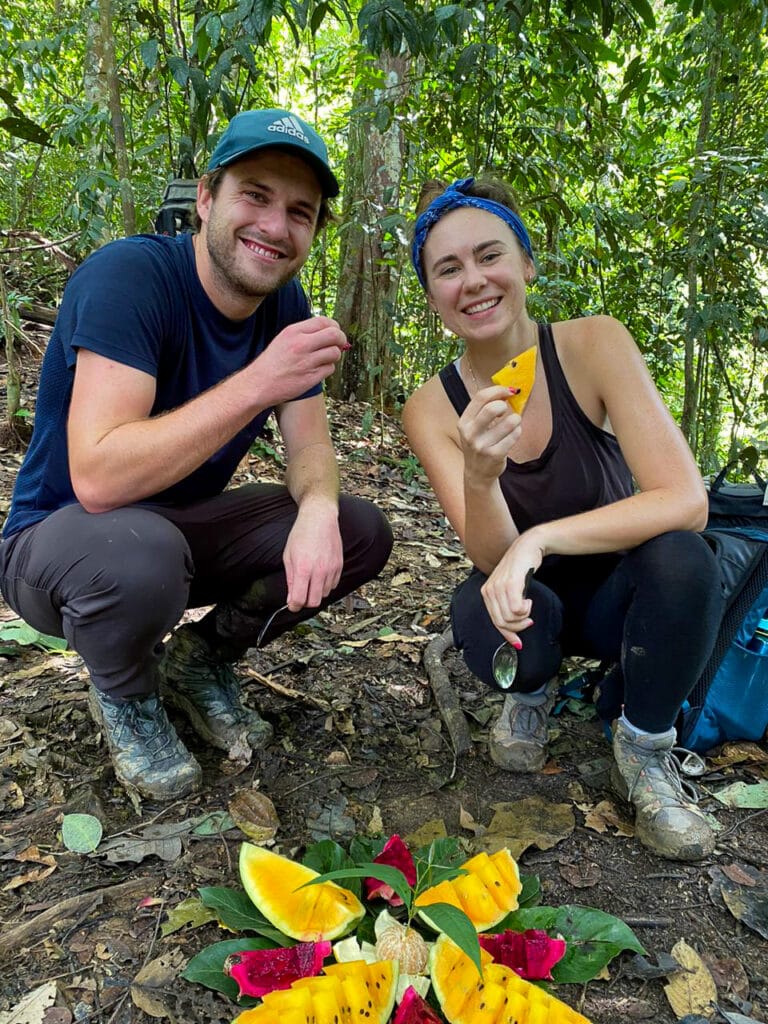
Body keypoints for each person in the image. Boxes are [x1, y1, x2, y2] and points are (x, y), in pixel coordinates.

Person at [0, 108, 393, 803]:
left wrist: (320, 507)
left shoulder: (286, 307)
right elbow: (97, 477)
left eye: (300, 212)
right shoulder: (129, 278)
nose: (276, 226)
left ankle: (200, 660)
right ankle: (127, 695)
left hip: (174, 532)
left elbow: (311, 451)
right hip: (60, 545)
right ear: (207, 198)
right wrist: (260, 381)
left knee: (357, 529)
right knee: (137, 552)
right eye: (256, 196)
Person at [402, 176, 724, 862]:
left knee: (685, 557)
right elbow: (491, 554)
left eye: (490, 256)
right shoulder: (431, 407)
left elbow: (684, 499)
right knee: (479, 610)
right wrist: (483, 477)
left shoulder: (593, 345)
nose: (474, 281)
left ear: (526, 263)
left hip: (620, 596)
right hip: (526, 607)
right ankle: (531, 696)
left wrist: (540, 539)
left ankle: (643, 750)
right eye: (448, 269)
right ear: (431, 297)